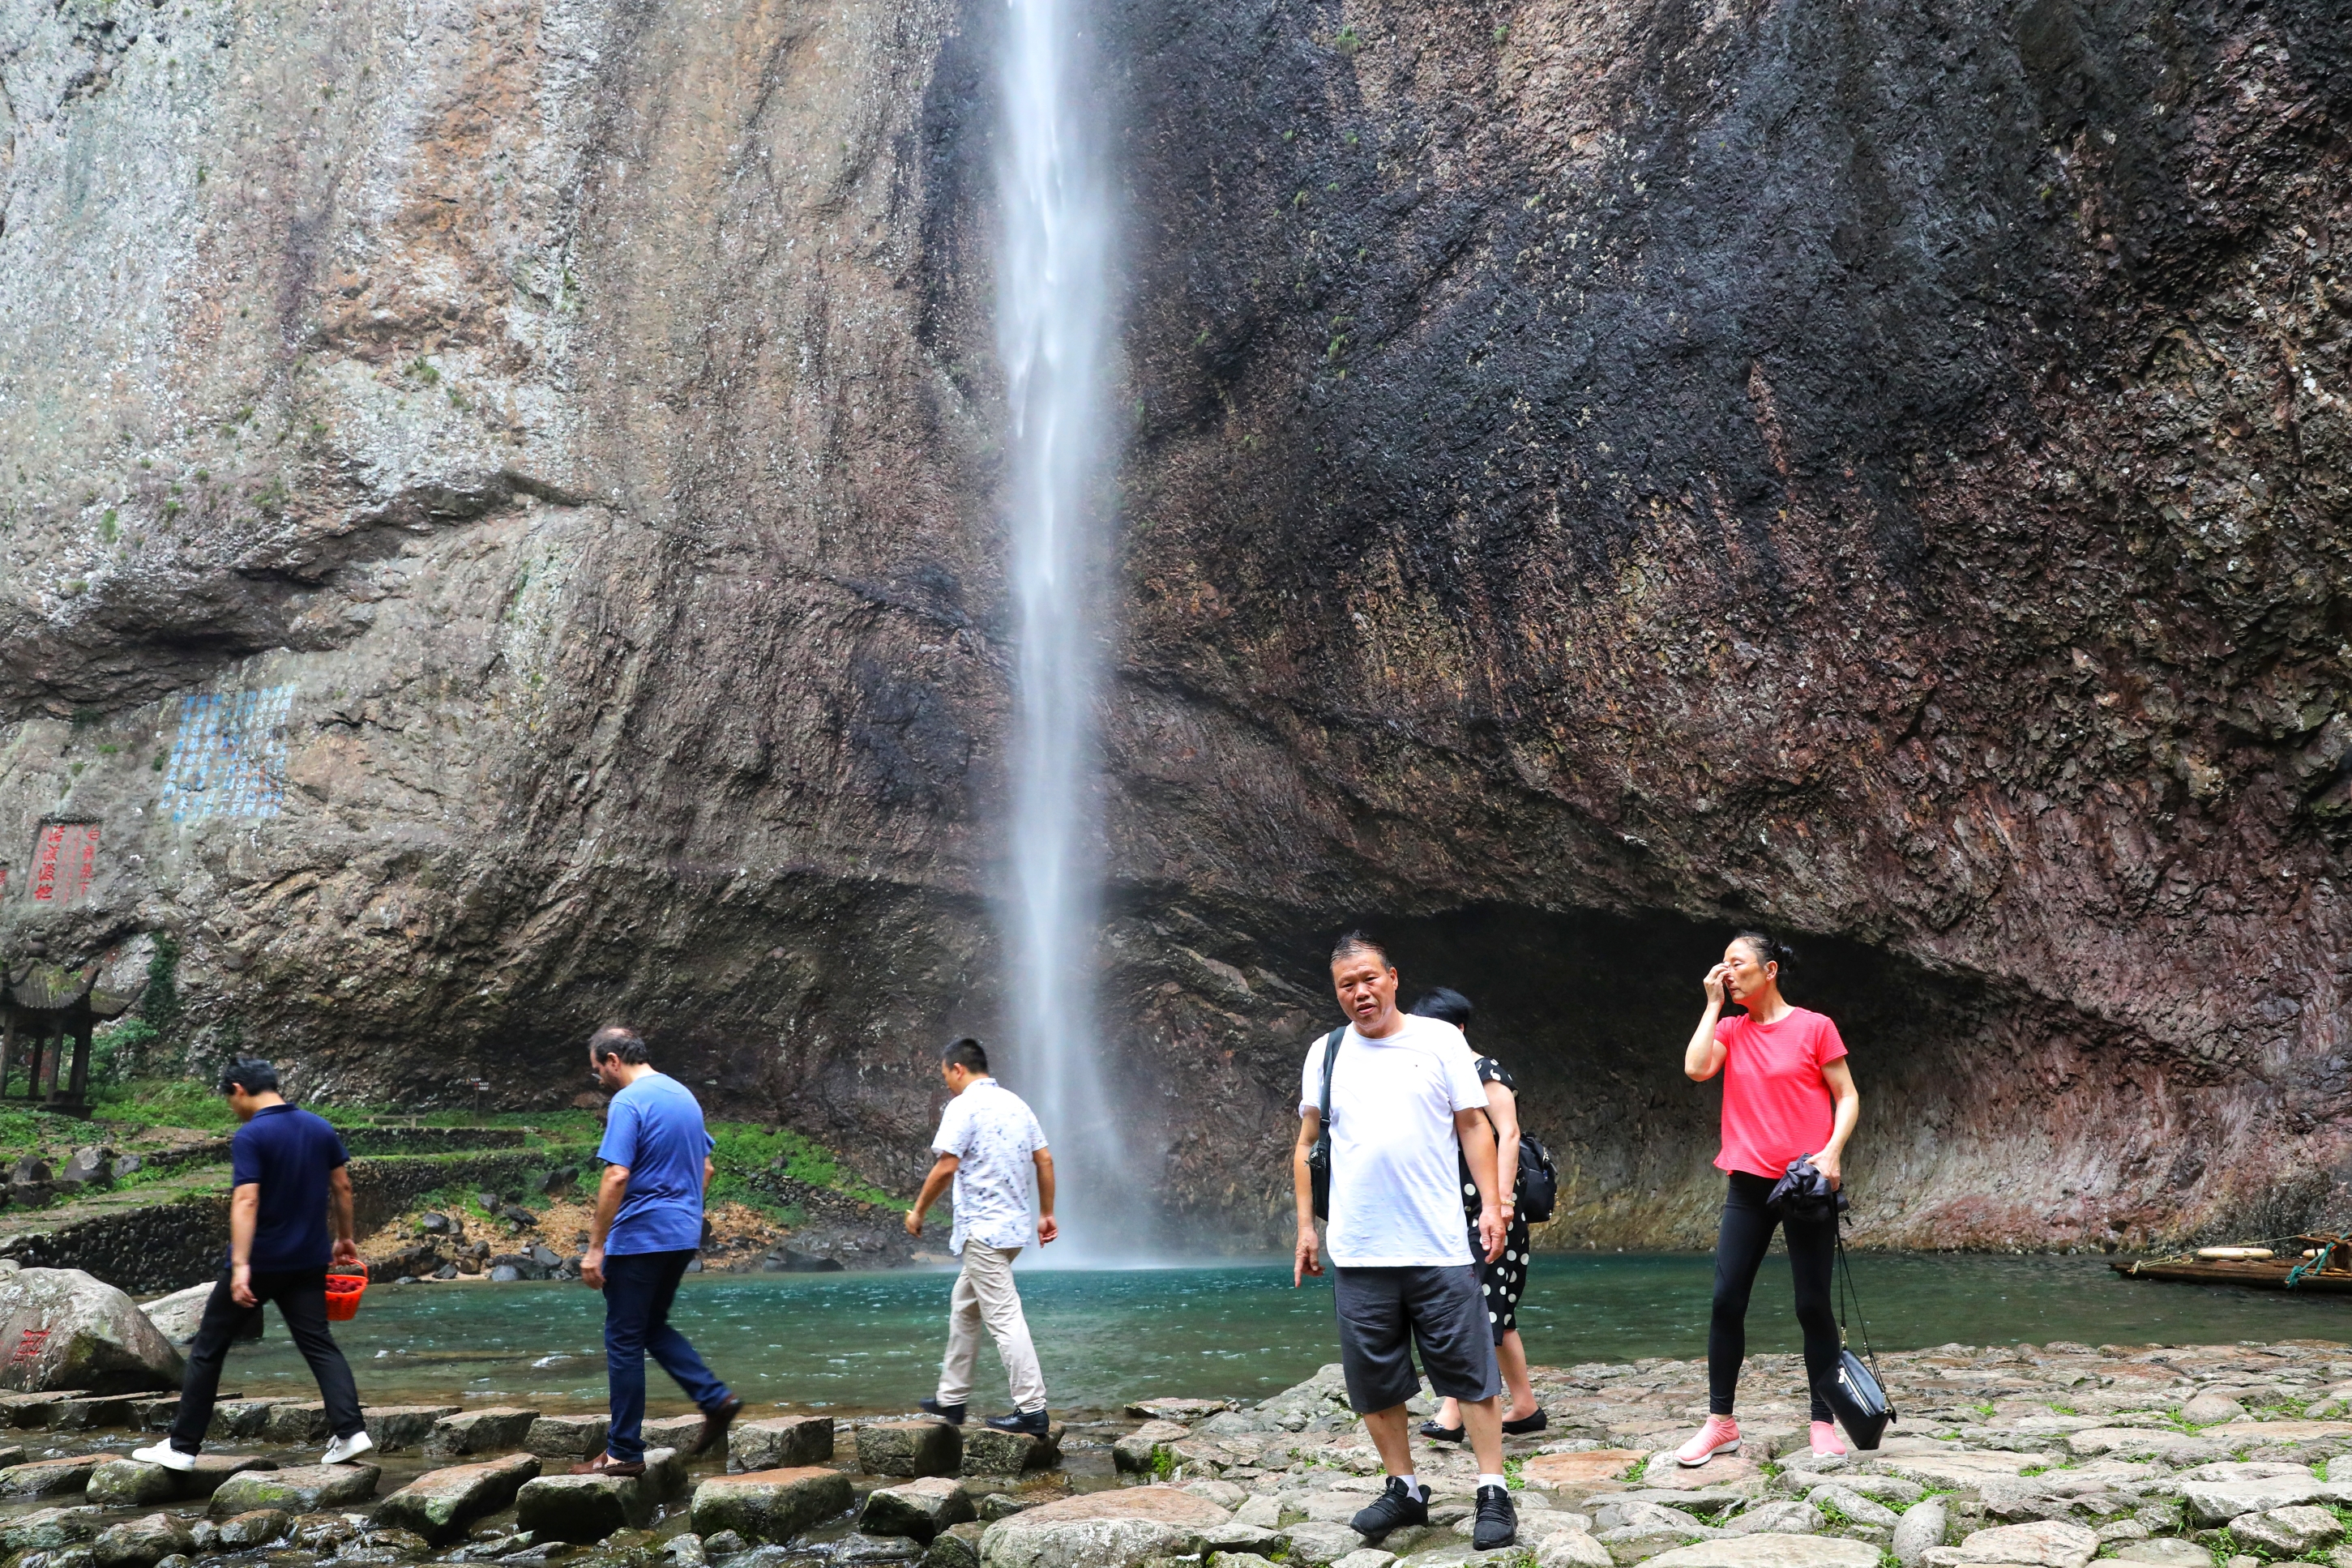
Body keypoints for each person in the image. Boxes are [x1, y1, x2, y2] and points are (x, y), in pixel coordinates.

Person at [1294, 934, 1517, 1550]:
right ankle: (1405, 1489)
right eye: (1346, 984)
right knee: (1374, 1379)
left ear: (1392, 977)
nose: (1360, 992)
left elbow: (1475, 1125)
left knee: (1470, 1370)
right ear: (1337, 992)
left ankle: (1493, 1488)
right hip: (1361, 1249)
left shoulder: (1438, 1039)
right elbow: (1307, 1143)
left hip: (1438, 1242)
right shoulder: (1327, 1052)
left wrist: (1493, 1206)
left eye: (1369, 978)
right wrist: (1307, 1226)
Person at [1673, 931, 1861, 1466]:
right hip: (1749, 1182)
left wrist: (1831, 1152)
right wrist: (1711, 1005)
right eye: (1723, 964)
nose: (1728, 973)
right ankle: (1720, 1422)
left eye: (1738, 964)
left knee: (1811, 1304)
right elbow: (1695, 1067)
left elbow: (1847, 1095)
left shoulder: (1814, 1026)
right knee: (1726, 1299)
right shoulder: (1731, 1028)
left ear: (1770, 969)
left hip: (1805, 1181)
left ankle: (1822, 1421)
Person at [133, 1059, 374, 1471]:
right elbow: (343, 1186)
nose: (233, 1107)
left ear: (239, 1089)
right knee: (318, 1344)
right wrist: (345, 1237)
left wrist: (241, 1265)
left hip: (261, 1260)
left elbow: (247, 1200)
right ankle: (351, 1433)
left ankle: (182, 1448)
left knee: (208, 1349)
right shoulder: (319, 1127)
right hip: (309, 1260)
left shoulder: (253, 1135)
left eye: (230, 1099)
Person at [575, 1024, 742, 1476]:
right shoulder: (683, 1096)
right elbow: (705, 1168)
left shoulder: (629, 1101)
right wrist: (685, 1212)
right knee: (650, 1326)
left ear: (612, 1060)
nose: (600, 1081)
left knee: (623, 1339)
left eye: (597, 1071)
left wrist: (595, 1247)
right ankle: (713, 1397)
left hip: (641, 1236)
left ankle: (624, 1451)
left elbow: (616, 1176)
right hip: (682, 1234)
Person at [1409, 989, 1545, 1443]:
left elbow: (1509, 1135)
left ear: (1458, 1030)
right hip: (1456, 1209)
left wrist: (1502, 1202)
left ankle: (1453, 1409)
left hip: (1489, 1210)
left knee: (1478, 1308)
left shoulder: (1483, 1072)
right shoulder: (1440, 1076)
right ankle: (1524, 1406)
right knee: (1498, 1313)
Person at [904, 1037, 1057, 1435]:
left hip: (984, 1232)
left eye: (945, 1077)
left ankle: (1032, 1409)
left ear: (958, 1068)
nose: (947, 1086)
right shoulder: (1016, 1104)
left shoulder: (964, 1105)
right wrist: (1046, 1213)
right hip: (1013, 1231)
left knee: (1004, 1317)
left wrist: (918, 1211)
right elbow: (1044, 1159)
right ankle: (951, 1400)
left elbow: (946, 1166)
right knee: (965, 1304)